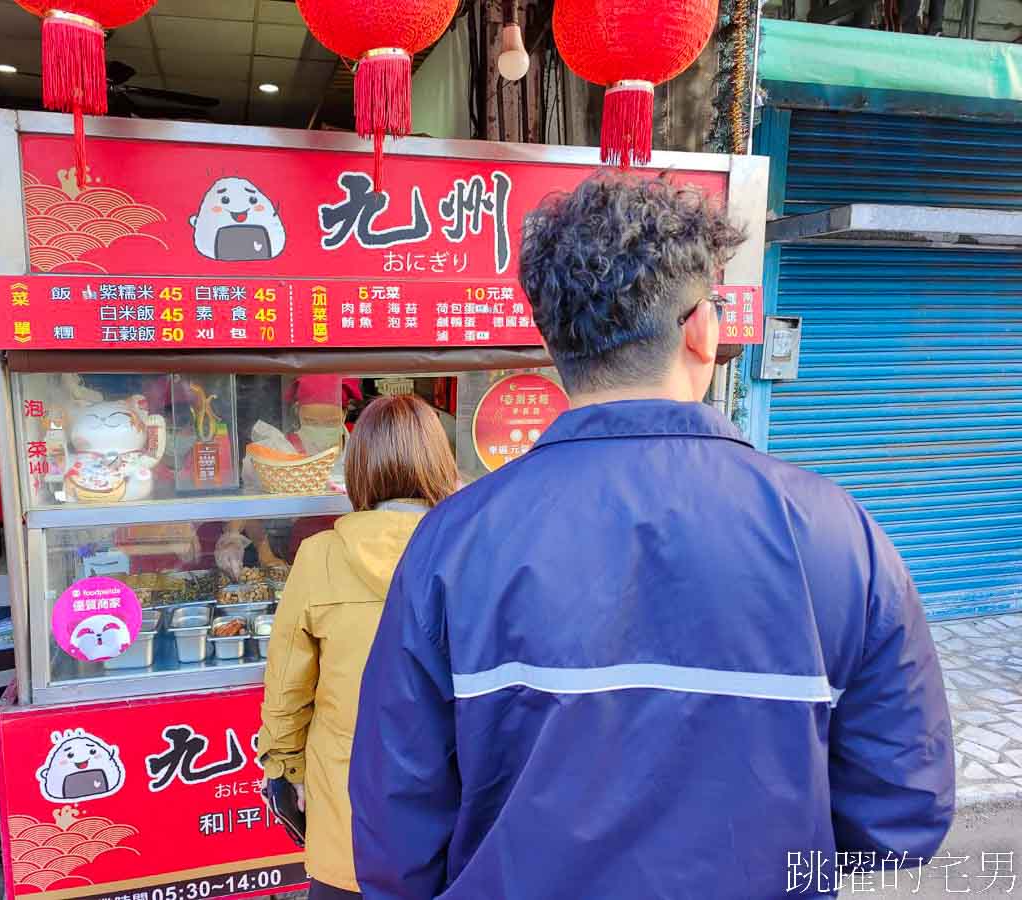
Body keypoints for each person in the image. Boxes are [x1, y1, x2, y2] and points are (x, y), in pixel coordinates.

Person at [349, 176, 955, 899]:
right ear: (702, 329)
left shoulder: (451, 543)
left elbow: (394, 835)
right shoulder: (833, 533)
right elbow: (903, 814)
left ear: (552, 342)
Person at [257, 394, 459, 900]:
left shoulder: (319, 555)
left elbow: (287, 684)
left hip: (347, 809)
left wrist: (285, 770)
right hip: (449, 807)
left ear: (358, 468)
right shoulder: (467, 549)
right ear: (440, 463)